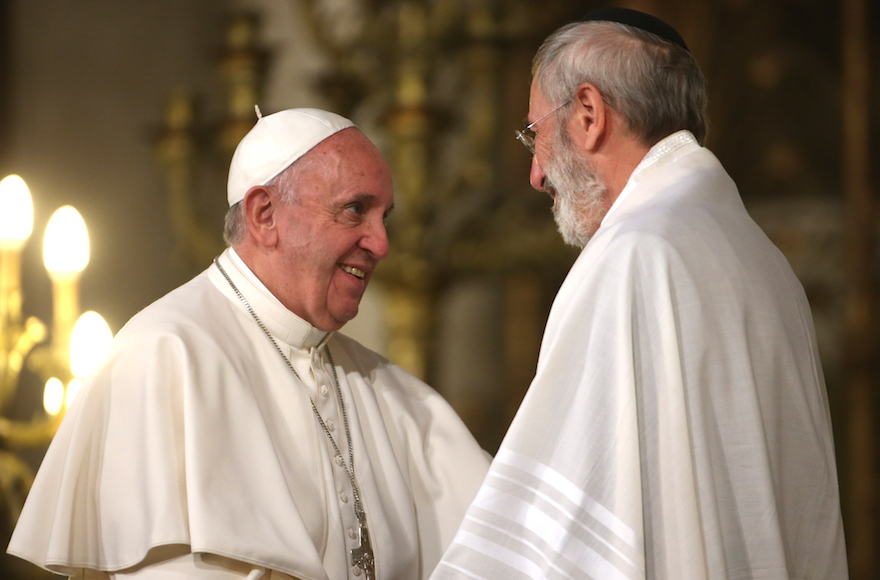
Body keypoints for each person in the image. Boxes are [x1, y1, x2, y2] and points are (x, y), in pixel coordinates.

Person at [432, 8, 847, 580]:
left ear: (588, 114)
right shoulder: (765, 264)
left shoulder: (634, 255)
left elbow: (562, 532)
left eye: (536, 133)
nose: (535, 173)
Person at [8, 108, 490, 580]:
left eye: (385, 217)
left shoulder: (397, 396)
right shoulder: (164, 355)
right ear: (264, 215)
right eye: (355, 211)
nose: (381, 243)